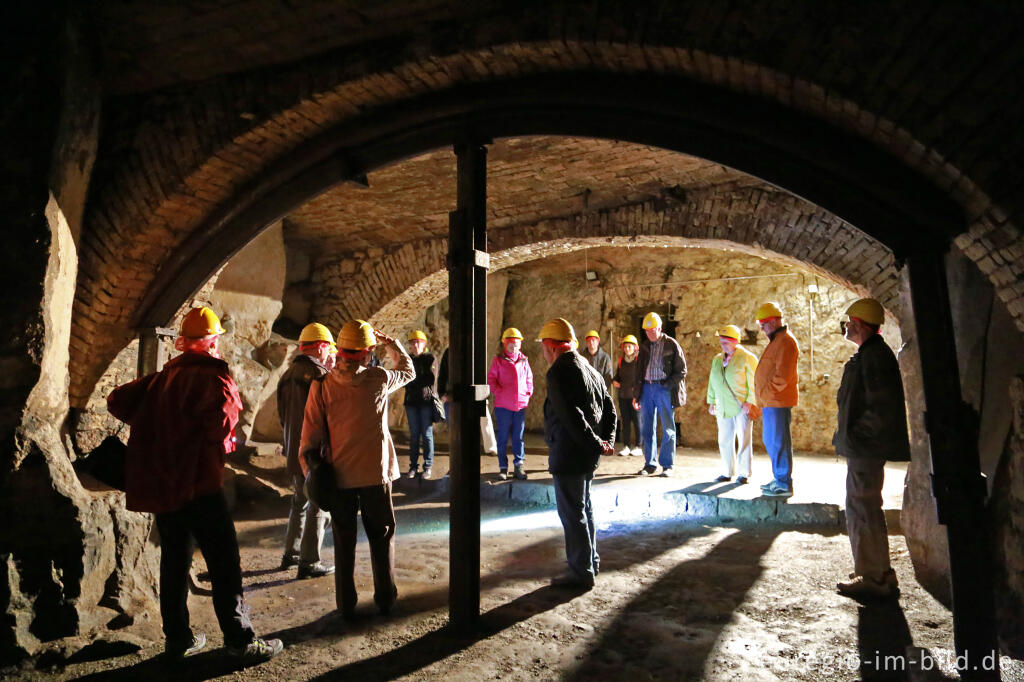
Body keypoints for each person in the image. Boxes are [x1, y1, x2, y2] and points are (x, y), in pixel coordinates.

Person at [106, 307, 283, 662]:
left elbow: (117, 400)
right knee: (224, 564)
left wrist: (157, 428)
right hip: (201, 486)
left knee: (174, 561)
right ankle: (240, 640)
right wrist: (225, 443)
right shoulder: (215, 380)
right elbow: (220, 433)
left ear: (184, 342)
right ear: (214, 341)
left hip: (167, 488)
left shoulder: (163, 378)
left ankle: (178, 640)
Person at [299, 320, 414, 619]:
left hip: (339, 476)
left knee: (343, 539)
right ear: (367, 353)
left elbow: (309, 435)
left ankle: (345, 604)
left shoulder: (322, 385)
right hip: (376, 474)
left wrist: (311, 472)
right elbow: (409, 371)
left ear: (340, 350)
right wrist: (392, 343)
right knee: (382, 535)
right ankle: (386, 598)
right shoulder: (378, 378)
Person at [834, 299, 909, 599]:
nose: (846, 325)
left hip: (865, 449)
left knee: (863, 508)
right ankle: (873, 569)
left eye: (850, 320)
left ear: (860, 324)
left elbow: (878, 410)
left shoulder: (874, 356)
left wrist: (857, 439)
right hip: (863, 448)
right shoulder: (871, 354)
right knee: (863, 506)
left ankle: (874, 577)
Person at [537, 318, 616, 589]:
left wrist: (597, 443)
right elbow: (610, 409)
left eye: (543, 348)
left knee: (573, 514)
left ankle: (581, 573)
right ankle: (590, 562)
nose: (543, 354)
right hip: (586, 455)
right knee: (584, 509)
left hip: (569, 454)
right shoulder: (590, 368)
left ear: (551, 346)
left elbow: (572, 418)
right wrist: (605, 441)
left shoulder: (558, 372)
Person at [277, 322, 336, 578]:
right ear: (321, 347)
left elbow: (282, 416)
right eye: (328, 349)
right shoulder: (319, 376)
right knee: (318, 505)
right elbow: (329, 416)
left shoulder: (288, 374)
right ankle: (309, 561)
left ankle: (291, 554)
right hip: (314, 453)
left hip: (294, 450)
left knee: (299, 501)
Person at [753, 302, 800, 498]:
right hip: (771, 401)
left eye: (763, 324)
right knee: (772, 440)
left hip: (777, 401)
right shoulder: (777, 341)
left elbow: (783, 375)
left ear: (773, 322)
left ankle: (783, 482)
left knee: (778, 441)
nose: (762, 329)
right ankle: (779, 478)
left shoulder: (785, 342)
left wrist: (767, 393)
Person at [634, 312, 687, 477]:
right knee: (647, 428)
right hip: (647, 389)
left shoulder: (671, 344)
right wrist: (637, 394)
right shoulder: (644, 346)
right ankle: (650, 464)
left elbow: (681, 370)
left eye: (652, 330)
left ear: (659, 328)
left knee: (668, 428)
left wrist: (667, 384)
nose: (649, 333)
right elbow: (639, 371)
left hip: (664, 389)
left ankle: (667, 465)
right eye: (647, 331)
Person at [705, 325, 758, 484]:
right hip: (722, 406)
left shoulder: (747, 357)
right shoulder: (717, 359)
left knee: (744, 439)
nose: (723, 344)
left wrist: (750, 401)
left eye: (727, 341)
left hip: (741, 405)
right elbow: (712, 381)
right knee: (724, 439)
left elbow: (754, 381)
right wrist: (712, 401)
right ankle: (726, 472)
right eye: (722, 341)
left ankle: (744, 473)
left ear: (736, 341)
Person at [486, 327, 534, 480]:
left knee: (518, 437)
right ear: (505, 344)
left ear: (520, 344)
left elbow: (529, 380)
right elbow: (491, 379)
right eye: (510, 344)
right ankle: (503, 468)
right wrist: (498, 391)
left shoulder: (524, 361)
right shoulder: (498, 361)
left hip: (519, 406)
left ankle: (519, 466)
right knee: (502, 437)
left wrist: (527, 394)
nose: (513, 346)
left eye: (516, 343)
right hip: (503, 406)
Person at [438, 347, 499, 456]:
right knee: (455, 423)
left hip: (476, 391)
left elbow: (482, 371)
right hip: (457, 392)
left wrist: (484, 392)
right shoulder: (450, 351)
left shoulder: (476, 348)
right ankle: (459, 447)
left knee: (484, 419)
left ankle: (491, 447)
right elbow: (443, 372)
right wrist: (442, 392)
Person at [404, 330, 438, 479]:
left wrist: (415, 381)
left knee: (427, 435)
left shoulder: (430, 359)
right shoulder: (408, 360)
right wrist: (418, 381)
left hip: (425, 403)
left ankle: (428, 466)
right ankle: (413, 467)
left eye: (418, 342)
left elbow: (431, 380)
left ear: (424, 344)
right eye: (413, 343)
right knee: (414, 436)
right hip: (411, 402)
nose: (415, 345)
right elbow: (405, 380)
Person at [611, 334, 642, 456]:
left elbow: (642, 378)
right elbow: (618, 376)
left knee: (638, 421)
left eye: (630, 346)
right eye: (625, 346)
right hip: (623, 395)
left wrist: (638, 389)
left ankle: (639, 446)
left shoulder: (639, 361)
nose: (627, 349)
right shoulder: (621, 361)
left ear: (635, 348)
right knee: (625, 421)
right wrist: (614, 381)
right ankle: (626, 446)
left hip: (635, 397)